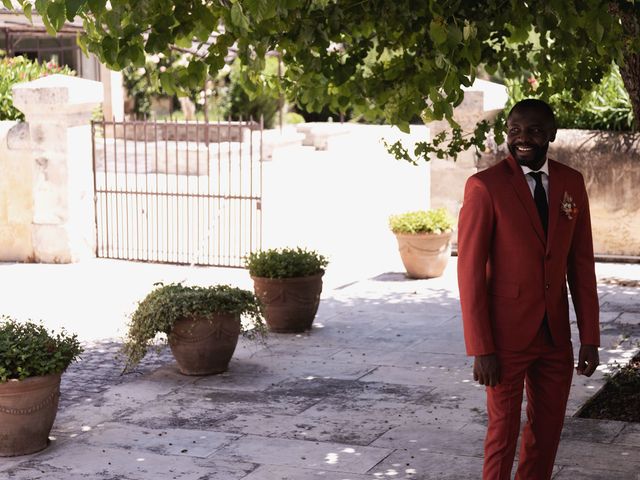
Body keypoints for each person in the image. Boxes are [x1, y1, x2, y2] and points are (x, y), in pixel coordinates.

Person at [457, 98, 600, 480]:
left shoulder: (572, 183)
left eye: (534, 130)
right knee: (502, 433)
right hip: (504, 340)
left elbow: (581, 265)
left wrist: (590, 336)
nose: (523, 139)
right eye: (515, 131)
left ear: (551, 133)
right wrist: (481, 347)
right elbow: (469, 272)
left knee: (547, 432)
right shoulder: (484, 187)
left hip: (555, 337)